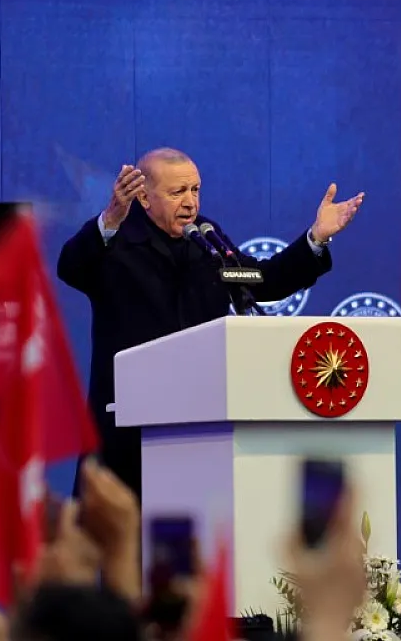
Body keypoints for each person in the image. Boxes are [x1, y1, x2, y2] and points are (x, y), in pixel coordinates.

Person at [57, 147, 364, 498]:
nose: (190, 202)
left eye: (195, 190)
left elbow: (261, 281)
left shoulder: (205, 237)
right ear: (143, 197)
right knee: (119, 531)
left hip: (199, 422)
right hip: (128, 432)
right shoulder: (114, 241)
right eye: (177, 192)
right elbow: (70, 267)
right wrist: (110, 220)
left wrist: (316, 238)